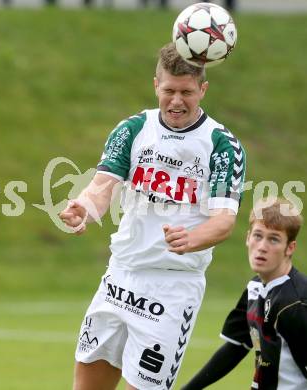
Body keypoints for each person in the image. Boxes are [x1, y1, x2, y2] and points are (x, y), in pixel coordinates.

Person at [59, 42, 246, 390]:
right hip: (120, 278)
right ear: (155, 85)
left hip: (172, 288)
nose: (177, 101)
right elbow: (102, 186)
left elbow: (224, 221)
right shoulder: (132, 129)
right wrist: (83, 207)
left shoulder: (221, 144)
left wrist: (193, 239)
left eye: (187, 92)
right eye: (169, 90)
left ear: (202, 89)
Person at [182, 197, 307, 390]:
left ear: (290, 248)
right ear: (248, 238)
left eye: (273, 239)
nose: (262, 247)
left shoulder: (296, 304)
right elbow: (236, 347)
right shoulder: (255, 288)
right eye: (258, 236)